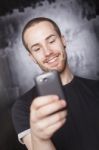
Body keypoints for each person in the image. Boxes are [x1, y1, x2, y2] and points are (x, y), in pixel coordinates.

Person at [12, 17, 99, 150]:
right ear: (32, 57)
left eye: (51, 41)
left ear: (63, 40)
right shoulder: (23, 107)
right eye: (37, 49)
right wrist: (39, 137)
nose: (47, 52)